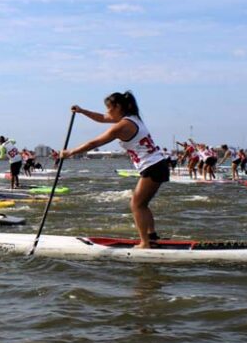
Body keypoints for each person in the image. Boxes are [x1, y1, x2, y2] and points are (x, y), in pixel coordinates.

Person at [59, 91, 169, 248]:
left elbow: (94, 143)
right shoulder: (133, 117)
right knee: (142, 204)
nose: (107, 112)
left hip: (153, 167)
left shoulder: (123, 126)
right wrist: (82, 111)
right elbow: (102, 118)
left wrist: (70, 152)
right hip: (157, 165)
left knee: (136, 204)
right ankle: (151, 236)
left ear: (118, 107)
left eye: (109, 108)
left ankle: (145, 243)